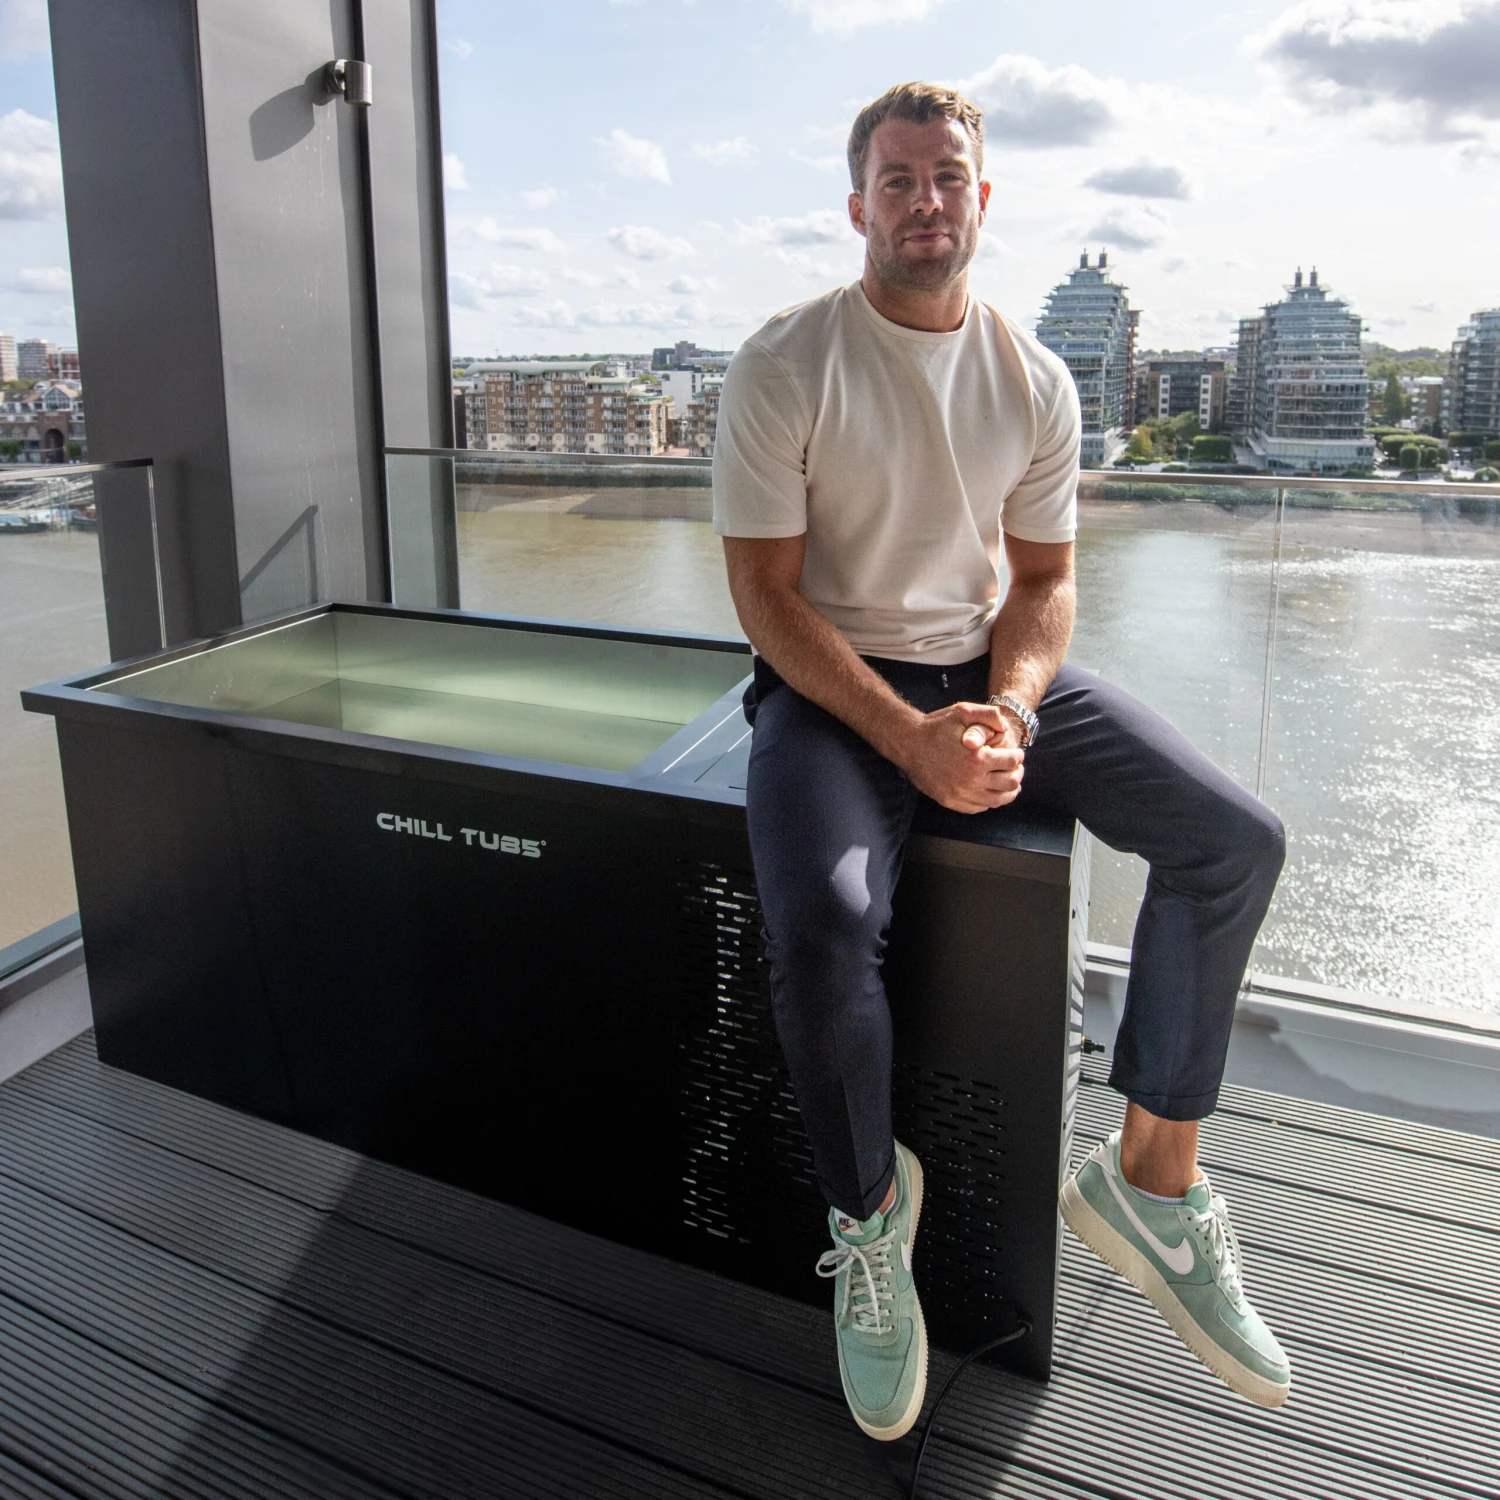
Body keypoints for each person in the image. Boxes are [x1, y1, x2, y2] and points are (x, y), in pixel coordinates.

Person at [712, 81, 1292, 1440]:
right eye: (898, 180)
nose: (925, 201)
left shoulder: (1034, 378)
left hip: (986, 673)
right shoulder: (785, 362)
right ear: (858, 206)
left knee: (1233, 841)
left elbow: (1042, 582)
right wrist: (908, 738)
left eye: (947, 178)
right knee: (823, 926)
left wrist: (1012, 713)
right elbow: (766, 599)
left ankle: (1150, 1182)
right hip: (833, 686)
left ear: (983, 199)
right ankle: (872, 1221)